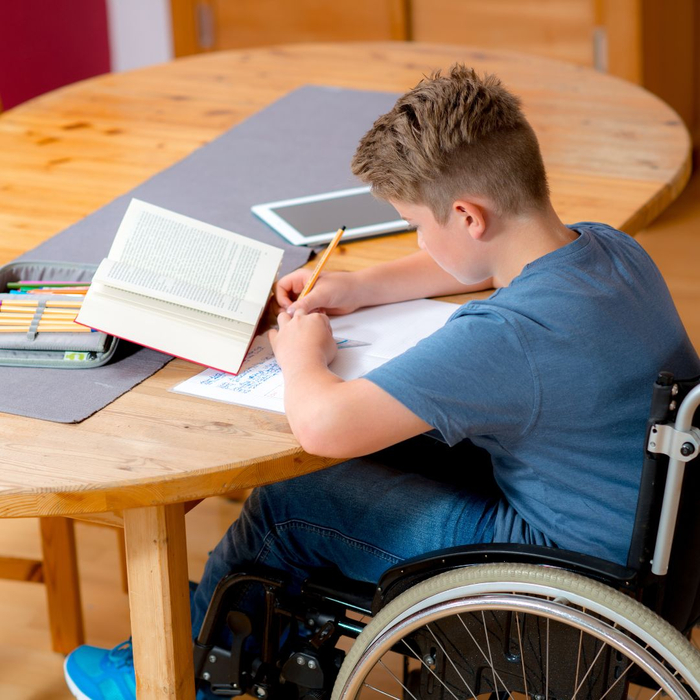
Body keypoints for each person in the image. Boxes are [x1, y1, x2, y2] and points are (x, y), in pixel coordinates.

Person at [63, 65, 700, 700]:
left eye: (417, 225)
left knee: (291, 502)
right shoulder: (609, 250)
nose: (419, 240)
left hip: (561, 580)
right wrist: (360, 287)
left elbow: (323, 425)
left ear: (467, 217)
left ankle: (176, 675)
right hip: (650, 552)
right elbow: (477, 264)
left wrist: (302, 356)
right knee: (398, 443)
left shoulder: (507, 336)